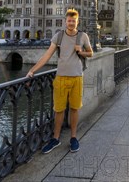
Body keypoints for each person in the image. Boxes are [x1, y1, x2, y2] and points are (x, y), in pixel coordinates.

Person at [26, 9, 92, 154]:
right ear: (65, 21)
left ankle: (73, 137)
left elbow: (91, 53)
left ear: (77, 22)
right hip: (61, 77)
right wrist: (32, 70)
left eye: (73, 21)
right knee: (59, 109)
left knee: (75, 108)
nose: (71, 23)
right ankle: (56, 138)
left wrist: (81, 52)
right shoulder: (59, 36)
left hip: (77, 77)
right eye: (69, 20)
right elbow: (47, 56)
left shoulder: (83, 36)